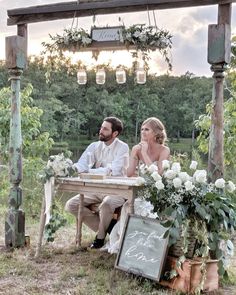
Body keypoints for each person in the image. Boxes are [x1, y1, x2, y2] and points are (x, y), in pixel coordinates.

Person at [103, 117, 170, 253]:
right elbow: (129, 173)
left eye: (147, 129)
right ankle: (123, 243)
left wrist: (144, 153)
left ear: (156, 133)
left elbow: (158, 176)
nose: (143, 132)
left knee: (130, 206)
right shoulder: (137, 149)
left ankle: (128, 244)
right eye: (142, 129)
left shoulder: (164, 150)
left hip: (156, 192)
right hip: (139, 191)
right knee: (127, 206)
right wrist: (134, 154)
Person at [65, 117, 129, 249]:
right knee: (71, 205)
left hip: (118, 190)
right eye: (101, 127)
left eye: (105, 129)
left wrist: (89, 170)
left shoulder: (123, 147)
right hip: (97, 189)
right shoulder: (94, 146)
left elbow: (112, 170)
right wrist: (68, 168)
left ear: (114, 133)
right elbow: (82, 163)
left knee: (107, 204)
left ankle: (99, 239)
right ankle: (110, 229)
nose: (101, 130)